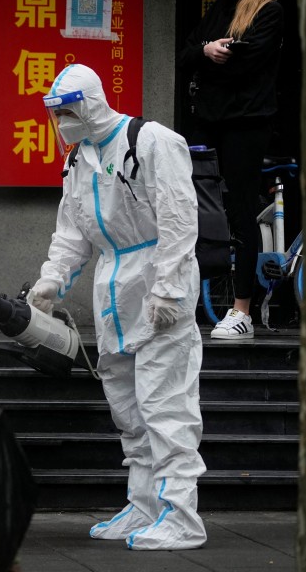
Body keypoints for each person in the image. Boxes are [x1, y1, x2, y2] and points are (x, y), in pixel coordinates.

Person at [29, 63, 207, 550]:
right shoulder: (78, 160)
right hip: (113, 289)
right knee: (127, 406)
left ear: (87, 103)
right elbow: (71, 233)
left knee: (164, 403)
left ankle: (181, 515)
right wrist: (51, 281)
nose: (61, 121)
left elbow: (177, 217)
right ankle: (145, 505)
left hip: (155, 283)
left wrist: (168, 287)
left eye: (65, 111)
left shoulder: (150, 142)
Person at [177, 0, 283, 340]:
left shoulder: (270, 11)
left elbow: (244, 63)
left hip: (247, 123)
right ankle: (186, 296)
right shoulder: (222, 5)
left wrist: (212, 57)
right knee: (196, 207)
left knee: (240, 210)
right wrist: (207, 52)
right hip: (208, 119)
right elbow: (187, 54)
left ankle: (242, 311)